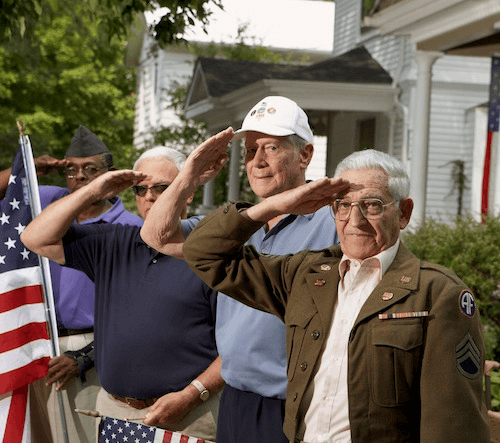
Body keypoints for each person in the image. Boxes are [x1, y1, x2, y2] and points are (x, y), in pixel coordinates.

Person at [182, 148, 490, 442]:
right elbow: (204, 253)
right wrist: (276, 205)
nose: (353, 221)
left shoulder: (436, 294)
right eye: (343, 205)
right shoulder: (306, 275)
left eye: (372, 205)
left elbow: (453, 425)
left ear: (403, 213)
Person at [141, 96, 341, 442]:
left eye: (272, 148)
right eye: (250, 151)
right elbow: (156, 235)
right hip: (235, 400)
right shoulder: (235, 224)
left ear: (305, 155)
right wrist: (188, 175)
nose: (258, 162)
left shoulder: (336, 220)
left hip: (295, 406)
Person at [20, 130, 233, 442]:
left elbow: (235, 345)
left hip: (189, 414)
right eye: (140, 188)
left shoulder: (213, 251)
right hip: (116, 412)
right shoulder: (114, 241)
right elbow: (34, 238)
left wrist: (192, 394)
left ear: (187, 192)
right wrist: (94, 190)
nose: (149, 196)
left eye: (162, 187)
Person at [0, 125, 142, 443]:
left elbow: (135, 308)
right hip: (37, 343)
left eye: (90, 169)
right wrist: (32, 166)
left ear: (109, 174)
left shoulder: (131, 227)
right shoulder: (49, 203)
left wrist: (83, 357)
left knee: (84, 437)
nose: (79, 177)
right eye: (71, 170)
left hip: (93, 352)